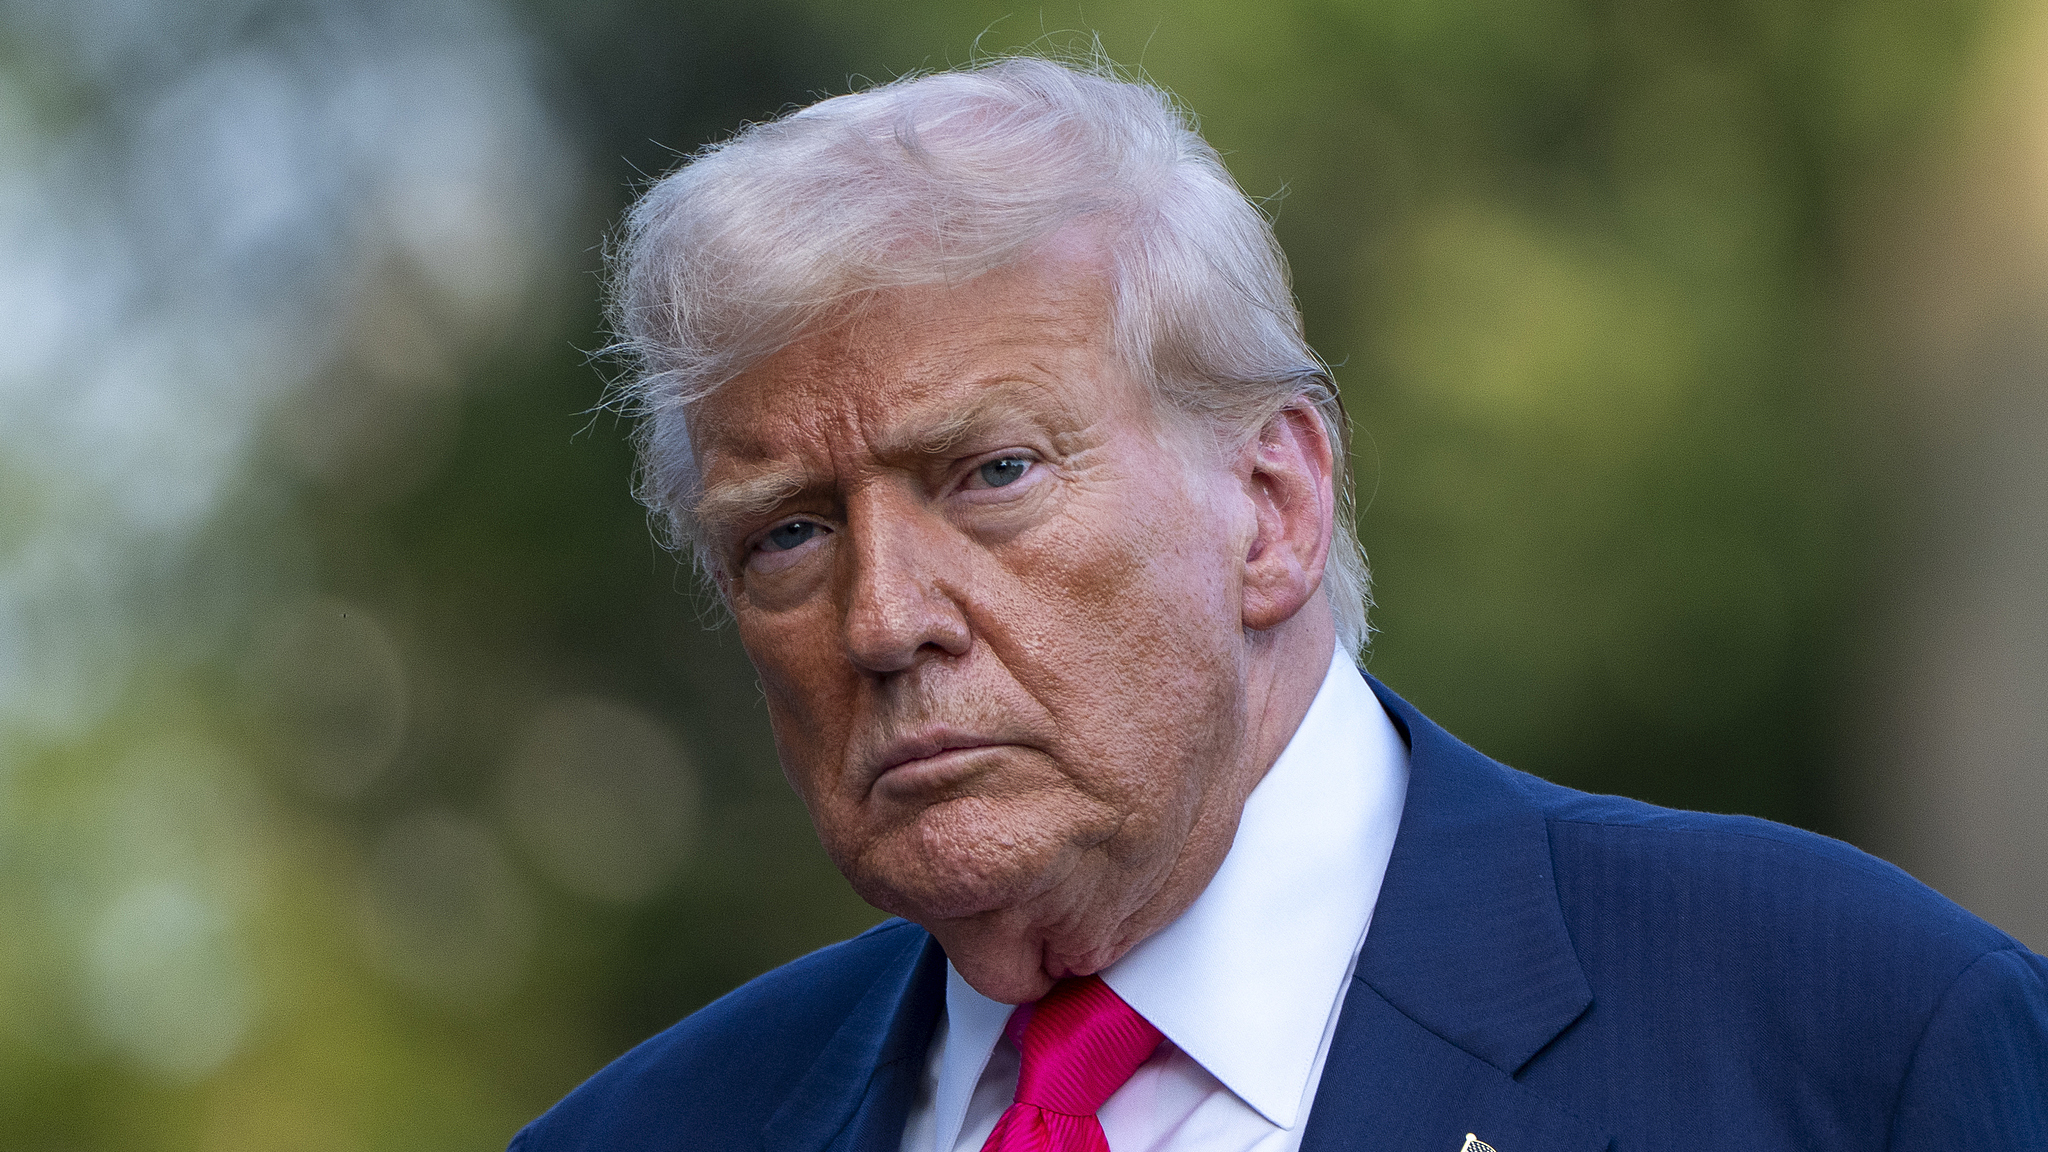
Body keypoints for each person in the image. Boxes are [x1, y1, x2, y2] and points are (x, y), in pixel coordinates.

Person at [510, 56, 2048, 1152]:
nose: (883, 618)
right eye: (786, 536)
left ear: (1275, 505)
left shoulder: (1851, 1041)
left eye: (988, 474)